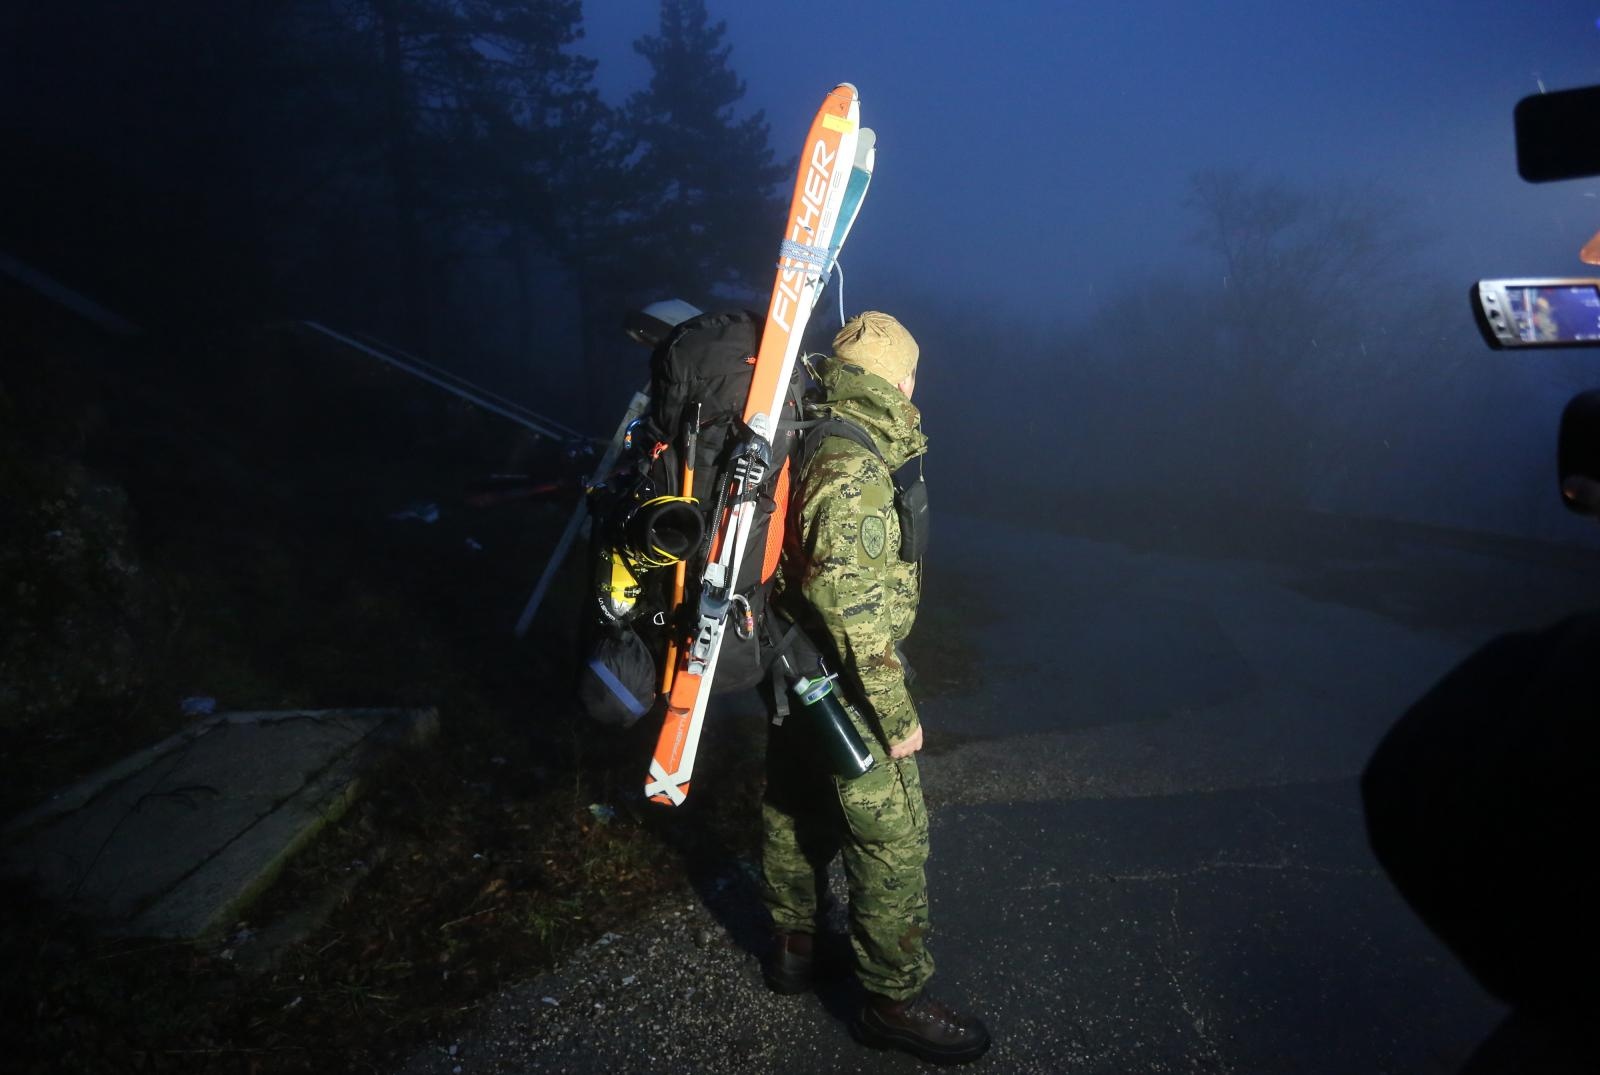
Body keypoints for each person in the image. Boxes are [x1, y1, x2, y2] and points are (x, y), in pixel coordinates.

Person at [759, 311, 990, 1065]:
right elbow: (846, 599)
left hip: (798, 667)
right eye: (914, 375)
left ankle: (795, 949)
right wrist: (895, 713)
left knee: (796, 804)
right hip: (843, 681)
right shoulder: (851, 461)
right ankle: (893, 1001)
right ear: (901, 378)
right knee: (892, 837)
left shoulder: (820, 431)